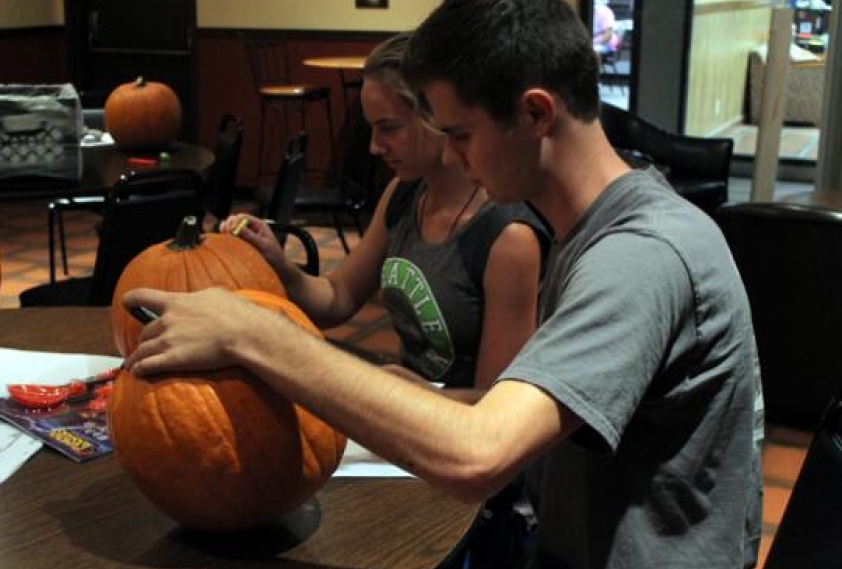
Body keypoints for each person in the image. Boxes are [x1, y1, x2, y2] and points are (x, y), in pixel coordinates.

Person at [122, 1, 764, 567]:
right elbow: (524, 413)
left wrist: (258, 334)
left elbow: (478, 459)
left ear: (535, 113)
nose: (451, 157)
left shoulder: (643, 256)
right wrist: (410, 393)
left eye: (460, 135)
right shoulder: (589, 225)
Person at [219, 32, 548, 393]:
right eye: (372, 129)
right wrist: (279, 264)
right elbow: (338, 296)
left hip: (452, 434)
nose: (375, 147)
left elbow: (497, 409)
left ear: (437, 116)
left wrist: (401, 394)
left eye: (389, 128)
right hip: (408, 411)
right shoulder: (403, 193)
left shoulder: (509, 238)